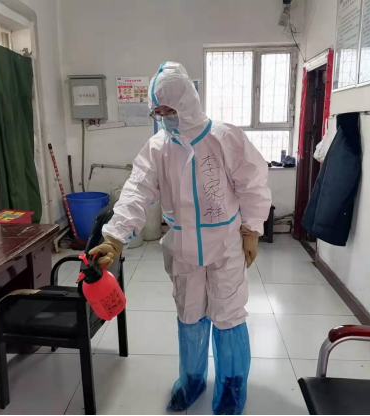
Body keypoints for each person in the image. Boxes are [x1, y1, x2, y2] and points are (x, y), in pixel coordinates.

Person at [90, 62, 271, 415]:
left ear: (187, 102)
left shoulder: (224, 137)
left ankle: (232, 390)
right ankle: (191, 381)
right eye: (157, 112)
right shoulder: (157, 148)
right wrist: (114, 237)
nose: (164, 117)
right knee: (189, 315)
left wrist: (251, 229)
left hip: (225, 243)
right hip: (183, 246)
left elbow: (253, 183)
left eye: (169, 110)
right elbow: (136, 191)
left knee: (228, 317)